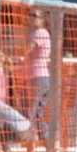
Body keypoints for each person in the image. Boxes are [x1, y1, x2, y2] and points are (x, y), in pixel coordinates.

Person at [26, 10, 51, 140]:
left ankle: (39, 145)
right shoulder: (34, 33)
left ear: (42, 19)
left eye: (34, 16)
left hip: (39, 76)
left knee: (34, 113)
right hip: (36, 76)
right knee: (35, 113)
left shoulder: (40, 33)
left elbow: (26, 50)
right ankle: (38, 146)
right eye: (29, 15)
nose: (30, 18)